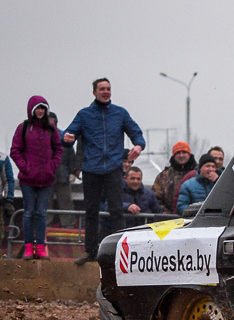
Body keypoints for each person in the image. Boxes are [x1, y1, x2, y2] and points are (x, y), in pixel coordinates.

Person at [63, 78, 145, 265]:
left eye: (108, 88)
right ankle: (91, 252)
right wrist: (65, 138)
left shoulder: (120, 113)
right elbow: (68, 134)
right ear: (94, 92)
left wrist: (139, 146)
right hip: (91, 169)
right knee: (91, 211)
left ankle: (119, 252)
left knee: (116, 211)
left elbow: (136, 132)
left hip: (114, 169)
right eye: (102, 89)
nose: (106, 92)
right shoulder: (84, 114)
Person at [10, 96, 64, 259]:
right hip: (28, 180)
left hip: (46, 180)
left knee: (41, 213)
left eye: (42, 108)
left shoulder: (51, 129)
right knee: (29, 213)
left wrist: (52, 166)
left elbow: (59, 149)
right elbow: (15, 150)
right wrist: (25, 168)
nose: (40, 111)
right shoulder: (24, 128)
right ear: (32, 110)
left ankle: (40, 246)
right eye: (37, 108)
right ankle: (28, 247)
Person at [47, 112, 78, 220]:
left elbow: (71, 156)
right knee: (45, 202)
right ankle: (45, 224)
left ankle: (68, 224)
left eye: (52, 120)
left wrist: (73, 172)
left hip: (63, 175)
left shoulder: (64, 136)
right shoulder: (40, 137)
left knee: (66, 202)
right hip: (45, 175)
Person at [152, 142, 196, 215]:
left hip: (195, 216)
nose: (181, 155)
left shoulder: (198, 174)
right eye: (178, 153)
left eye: (184, 152)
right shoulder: (163, 176)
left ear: (189, 154)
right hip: (170, 218)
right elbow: (155, 199)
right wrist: (166, 214)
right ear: (173, 155)